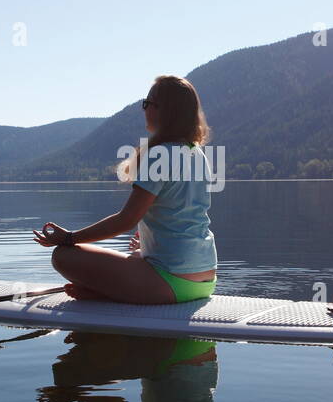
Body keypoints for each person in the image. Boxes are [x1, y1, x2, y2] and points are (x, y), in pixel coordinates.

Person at [32, 75, 217, 304]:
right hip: (206, 278)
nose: (144, 109)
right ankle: (104, 291)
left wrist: (70, 237)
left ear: (164, 111)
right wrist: (149, 246)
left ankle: (104, 294)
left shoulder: (160, 155)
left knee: (63, 256)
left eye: (147, 104)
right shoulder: (198, 154)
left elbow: (125, 220)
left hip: (169, 282)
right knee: (136, 253)